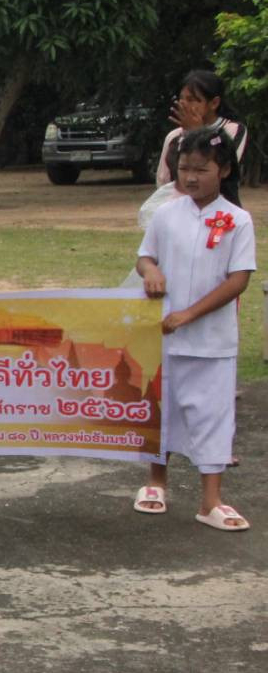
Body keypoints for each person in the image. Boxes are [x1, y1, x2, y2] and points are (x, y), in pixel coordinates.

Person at [133, 127, 255, 532]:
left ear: (222, 170)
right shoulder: (167, 213)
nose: (190, 177)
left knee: (212, 416)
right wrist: (150, 273)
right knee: (161, 411)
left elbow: (238, 279)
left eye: (200, 170)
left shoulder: (238, 220)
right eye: (184, 168)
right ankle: (155, 483)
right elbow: (145, 256)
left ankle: (211, 501)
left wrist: (190, 315)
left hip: (212, 342)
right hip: (164, 337)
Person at [157, 70, 249, 206]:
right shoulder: (173, 137)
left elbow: (222, 167)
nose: (184, 105)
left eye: (192, 100)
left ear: (214, 103)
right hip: (183, 210)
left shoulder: (233, 130)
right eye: (181, 99)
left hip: (220, 212)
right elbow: (163, 180)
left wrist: (196, 132)